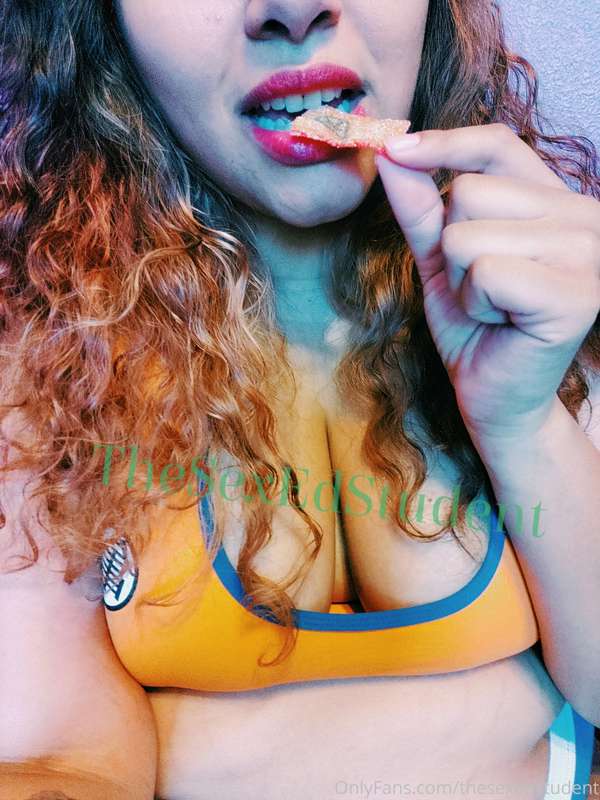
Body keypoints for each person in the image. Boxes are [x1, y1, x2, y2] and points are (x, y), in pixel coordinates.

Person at [1, 1, 600, 798]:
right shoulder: (48, 345)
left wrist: (523, 421)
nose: (291, 6)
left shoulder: (543, 275)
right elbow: (62, 761)